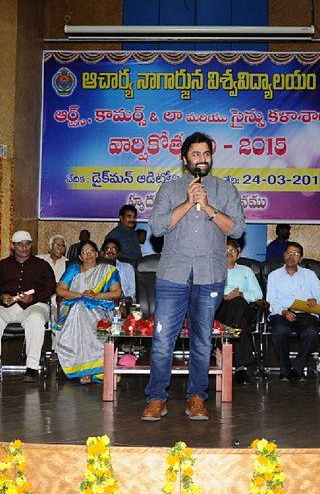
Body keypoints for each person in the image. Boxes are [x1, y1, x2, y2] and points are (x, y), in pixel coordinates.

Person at [142, 131, 245, 422]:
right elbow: (159, 227)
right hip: (173, 275)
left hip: (210, 275)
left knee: (201, 341)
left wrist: (209, 206)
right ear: (184, 158)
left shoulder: (225, 190)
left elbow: (235, 230)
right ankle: (156, 399)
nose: (202, 159)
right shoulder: (169, 189)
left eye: (206, 154)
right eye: (196, 154)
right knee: (163, 340)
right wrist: (188, 202)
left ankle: (197, 398)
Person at [0, 231, 56, 382]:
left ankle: (32, 367)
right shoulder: (2, 265)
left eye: (27, 244)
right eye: (20, 244)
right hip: (6, 306)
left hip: (35, 305)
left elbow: (51, 287)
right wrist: (1, 296)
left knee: (36, 318)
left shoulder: (42, 265)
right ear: (13, 246)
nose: (24, 248)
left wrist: (33, 298)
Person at [54, 240, 122, 384]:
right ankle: (85, 370)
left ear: (97, 254)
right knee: (80, 309)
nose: (88, 255)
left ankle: (98, 371)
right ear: (80, 257)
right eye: (84, 252)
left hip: (102, 309)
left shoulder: (108, 270)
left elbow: (117, 293)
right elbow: (60, 290)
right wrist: (80, 295)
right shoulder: (73, 270)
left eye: (91, 251)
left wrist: (97, 296)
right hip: (75, 308)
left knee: (84, 314)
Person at [266, 242, 320, 381]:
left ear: (300, 259)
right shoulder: (274, 276)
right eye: (288, 253)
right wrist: (283, 312)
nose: (291, 256)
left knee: (311, 334)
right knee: (280, 331)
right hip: (282, 313)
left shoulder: (309, 274)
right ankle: (285, 369)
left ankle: (298, 369)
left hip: (305, 313)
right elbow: (271, 300)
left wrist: (315, 299)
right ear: (284, 255)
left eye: (295, 254)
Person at [216, 239, 263, 384]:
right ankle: (241, 367)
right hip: (219, 309)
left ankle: (223, 350)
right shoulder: (213, 270)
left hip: (242, 309)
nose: (229, 253)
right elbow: (205, 293)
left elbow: (258, 295)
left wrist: (241, 294)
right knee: (238, 322)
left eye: (232, 250)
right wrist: (224, 296)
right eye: (226, 250)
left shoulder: (246, 271)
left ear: (238, 255)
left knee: (238, 303)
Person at [37, 234, 68, 316]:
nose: (60, 248)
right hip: (41, 296)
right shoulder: (39, 260)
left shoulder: (68, 264)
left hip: (59, 298)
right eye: (57, 245)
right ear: (50, 247)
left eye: (62, 246)